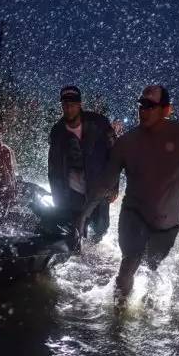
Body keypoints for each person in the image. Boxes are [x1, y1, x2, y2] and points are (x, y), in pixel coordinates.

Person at [76, 85, 179, 304]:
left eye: (150, 106)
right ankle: (117, 320)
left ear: (166, 110)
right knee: (128, 266)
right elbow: (105, 183)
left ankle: (147, 311)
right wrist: (83, 214)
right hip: (133, 214)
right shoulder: (126, 143)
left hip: (167, 225)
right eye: (140, 105)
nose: (143, 110)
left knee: (150, 267)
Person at [48, 85, 117, 250]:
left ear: (80, 104)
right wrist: (57, 197)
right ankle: (78, 257)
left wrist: (115, 186)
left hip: (98, 189)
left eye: (72, 104)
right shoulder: (57, 132)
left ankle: (95, 254)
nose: (69, 108)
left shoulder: (100, 123)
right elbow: (53, 167)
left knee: (100, 228)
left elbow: (115, 155)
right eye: (65, 104)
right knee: (77, 234)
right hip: (72, 193)